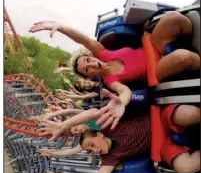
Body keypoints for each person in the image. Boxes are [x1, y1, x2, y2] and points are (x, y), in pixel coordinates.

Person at [29, 13, 200, 130]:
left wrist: (59, 27)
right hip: (158, 69)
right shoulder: (111, 81)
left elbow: (83, 38)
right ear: (90, 75)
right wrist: (121, 102)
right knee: (181, 57)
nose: (92, 65)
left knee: (173, 19)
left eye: (88, 61)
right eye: (87, 70)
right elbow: (124, 92)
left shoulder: (103, 53)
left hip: (153, 47)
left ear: (91, 56)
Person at [39, 90, 200, 173]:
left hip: (160, 119)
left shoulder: (108, 126)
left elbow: (93, 112)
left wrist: (62, 124)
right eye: (90, 150)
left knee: (189, 114)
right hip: (163, 145)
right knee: (185, 167)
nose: (94, 151)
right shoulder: (109, 158)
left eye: (92, 145)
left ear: (99, 134)